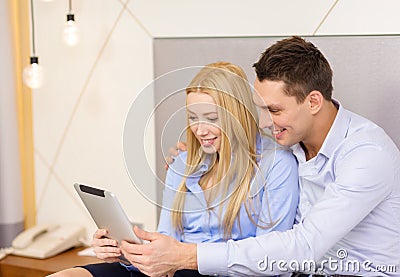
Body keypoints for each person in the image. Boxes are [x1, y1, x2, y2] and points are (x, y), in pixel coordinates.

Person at [119, 36, 400, 277]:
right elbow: (243, 148)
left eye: (274, 111)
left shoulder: (366, 155)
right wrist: (199, 156)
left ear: (313, 101)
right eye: (260, 109)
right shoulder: (289, 145)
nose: (264, 123)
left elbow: (304, 246)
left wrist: (187, 256)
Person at [49, 62, 299, 277]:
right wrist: (127, 250)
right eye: (192, 118)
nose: (199, 130)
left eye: (211, 118)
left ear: (237, 115)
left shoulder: (276, 164)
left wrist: (183, 257)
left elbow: (270, 258)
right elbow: (167, 239)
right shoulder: (182, 164)